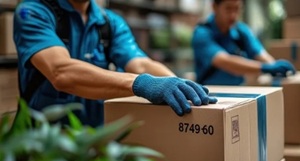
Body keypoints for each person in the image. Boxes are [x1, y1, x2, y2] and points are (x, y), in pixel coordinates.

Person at [13, 0, 218, 127]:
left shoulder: (109, 22)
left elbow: (140, 64)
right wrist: (141, 84)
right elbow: (61, 72)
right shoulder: (32, 12)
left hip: (95, 144)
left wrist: (177, 84)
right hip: (42, 147)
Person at [192, 0, 296, 85]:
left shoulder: (241, 31)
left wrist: (275, 66)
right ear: (215, 7)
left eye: (237, 9)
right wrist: (265, 68)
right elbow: (225, 61)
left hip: (239, 93)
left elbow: (260, 54)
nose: (233, 15)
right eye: (228, 9)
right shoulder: (202, 33)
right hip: (210, 96)